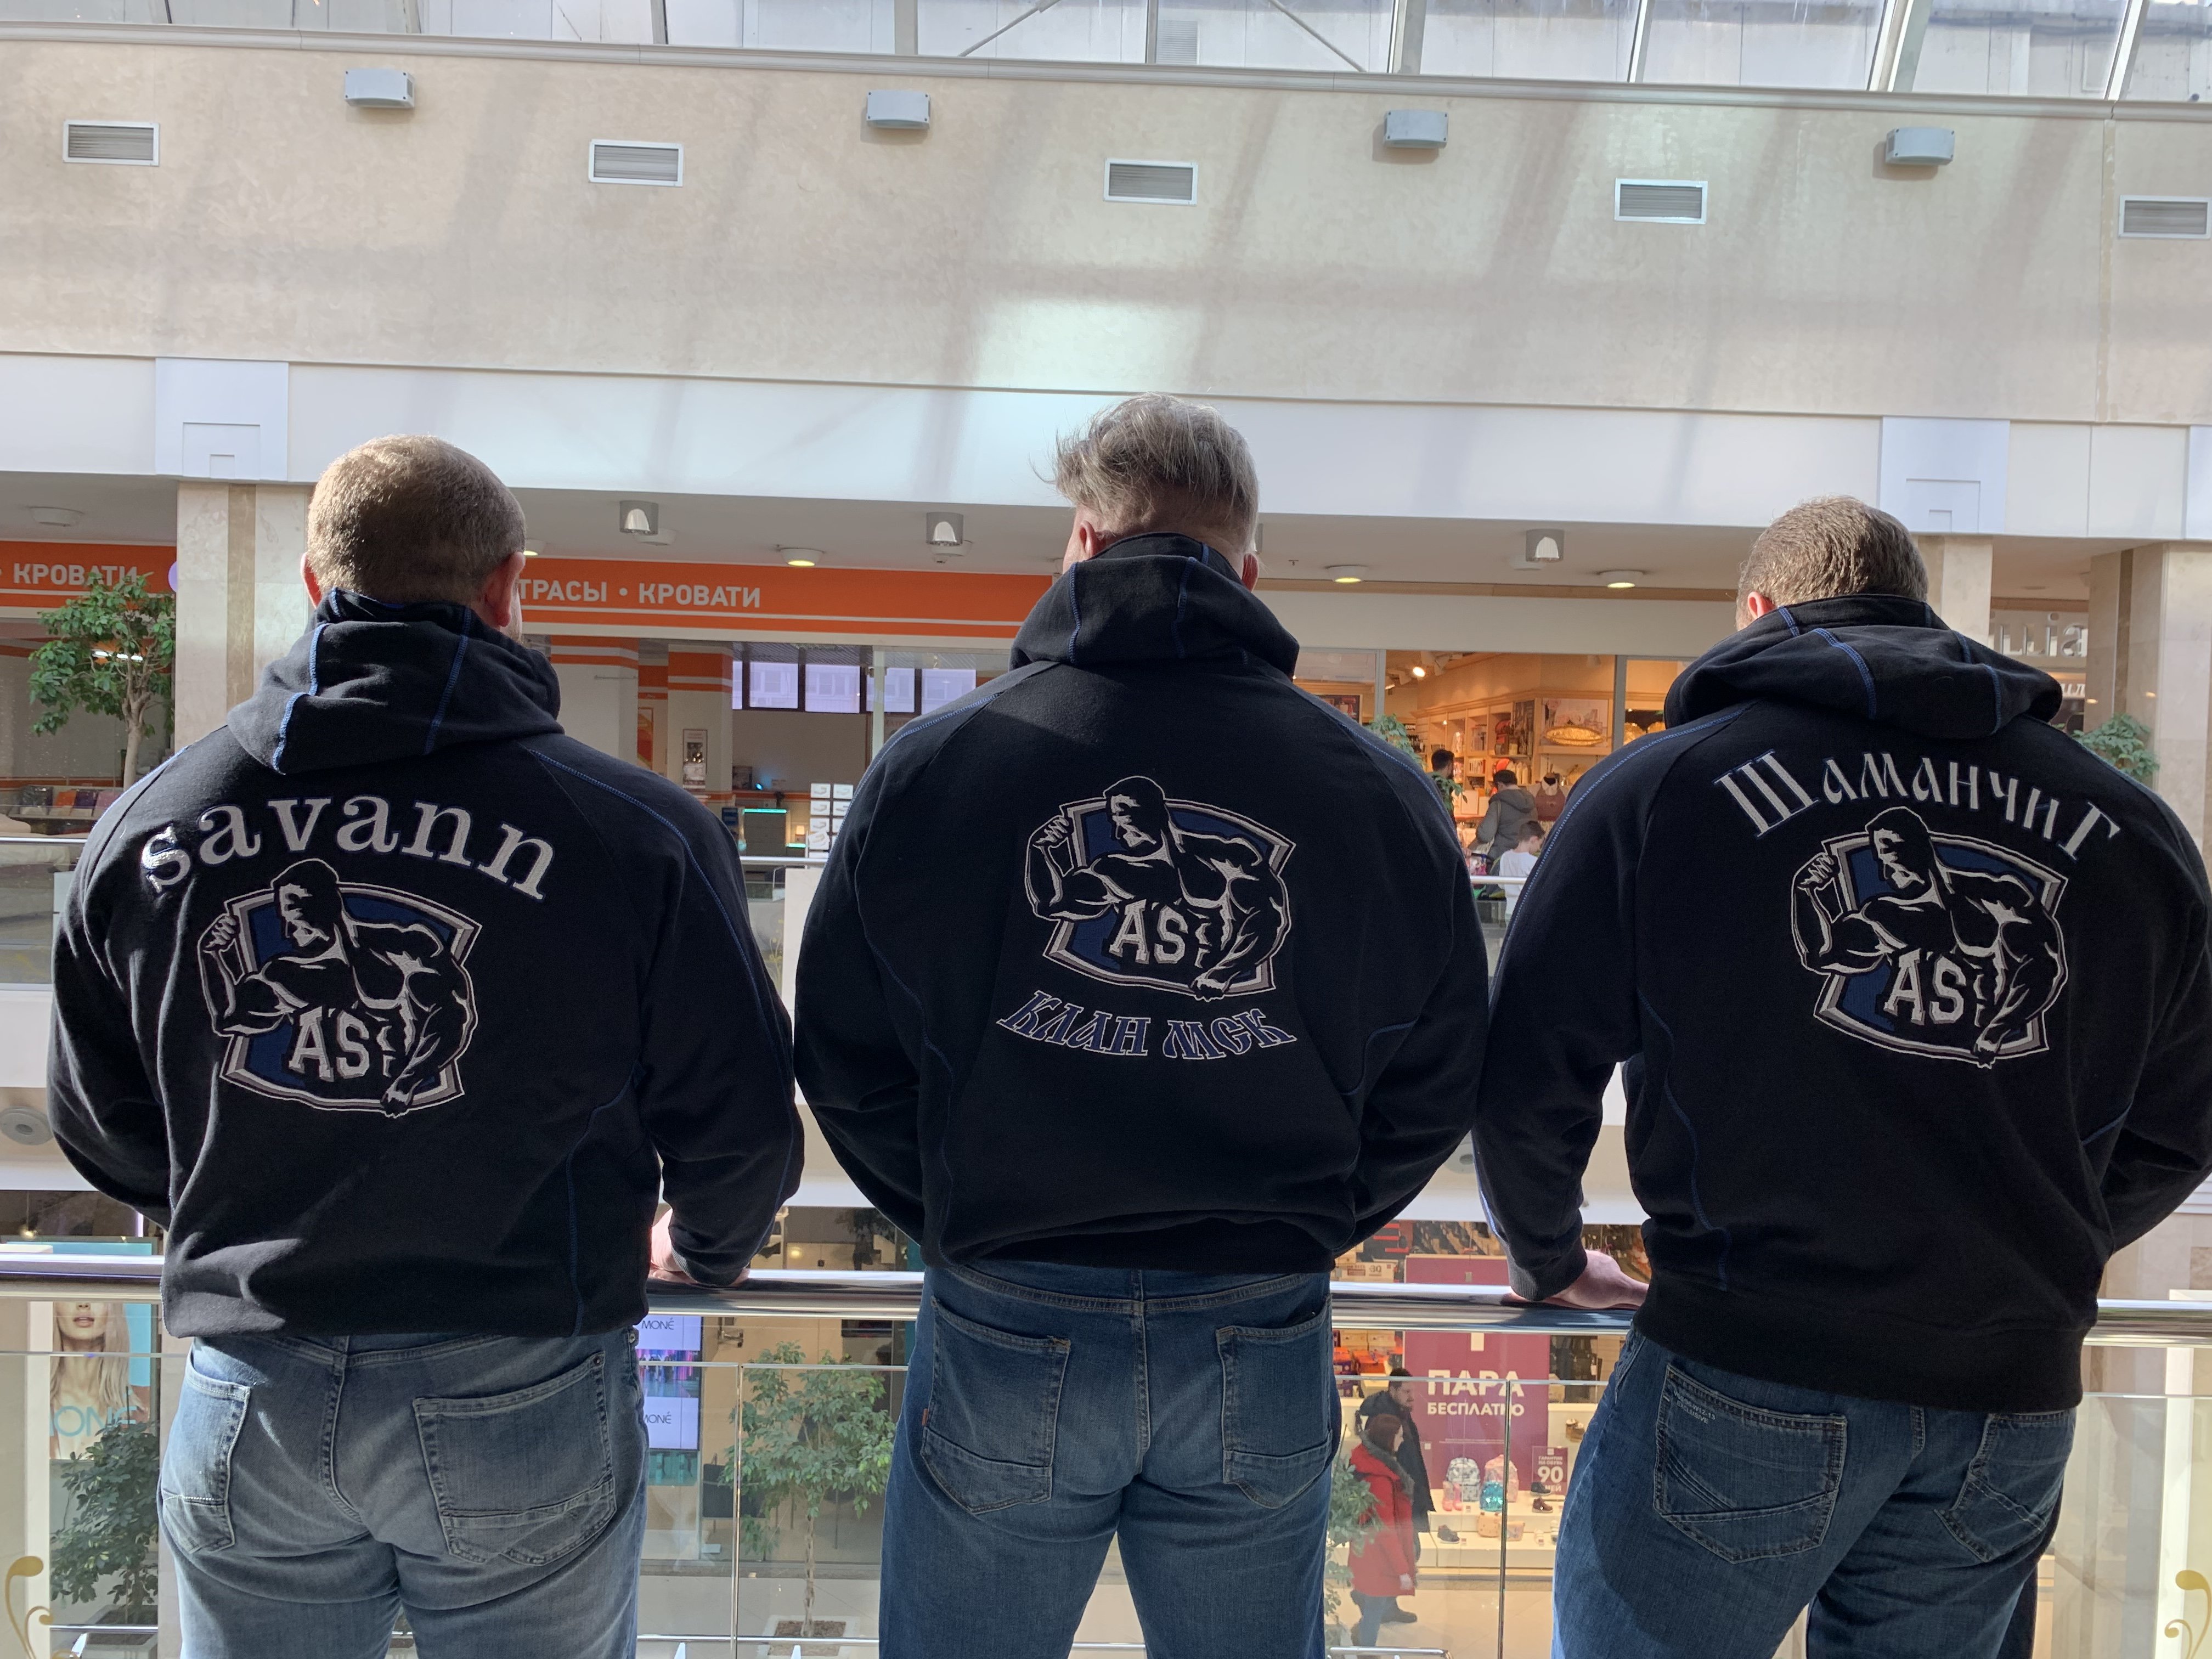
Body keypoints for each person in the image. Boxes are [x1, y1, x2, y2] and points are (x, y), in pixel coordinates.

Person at [48, 435, 800, 1659]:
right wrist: (703, 1250)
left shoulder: (152, 825)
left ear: (314, 584)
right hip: (523, 1382)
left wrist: (247, 1184)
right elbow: (744, 1122)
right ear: (507, 589)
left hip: (252, 1389)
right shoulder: (636, 833)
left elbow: (102, 1124)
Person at [795, 393, 1487, 1659]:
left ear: (1082, 543)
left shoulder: (939, 767)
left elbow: (842, 1053)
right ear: (1249, 568)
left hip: (1009, 1305)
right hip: (1258, 1313)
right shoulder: (1379, 793)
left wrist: (965, 1207)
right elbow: (1440, 1073)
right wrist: (1307, 1216)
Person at [1472, 495, 2212, 1659]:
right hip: (2004, 1389)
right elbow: (2185, 1118)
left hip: (1746, 1354)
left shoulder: (1665, 789)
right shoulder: (2133, 829)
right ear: (1923, 613)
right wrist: (2032, 1236)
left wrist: (1548, 1256)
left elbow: (1527, 1073)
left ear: (1759, 612)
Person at [1356, 1368, 1457, 1556]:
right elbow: (1380, 1465)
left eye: (1413, 1391)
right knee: (1406, 1554)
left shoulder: (1401, 1413)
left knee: (1410, 1553)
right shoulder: (1384, 1421)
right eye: (1407, 1392)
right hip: (1397, 1503)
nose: (1412, 1397)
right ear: (1393, 1390)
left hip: (1405, 1498)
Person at [1347, 1410, 1420, 1646]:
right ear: (1388, 1439)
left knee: (1375, 1599)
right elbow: (1385, 1529)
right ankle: (1366, 1650)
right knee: (1375, 1609)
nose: (1402, 1440)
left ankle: (1360, 1598)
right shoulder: (1379, 1478)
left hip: (1369, 1553)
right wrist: (1402, 1571)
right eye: (1398, 1436)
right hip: (1379, 1559)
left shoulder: (1373, 1464)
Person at [1475, 768, 1538, 859]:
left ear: (1500, 785)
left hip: (1501, 857)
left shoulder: (1498, 803)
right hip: (1527, 856)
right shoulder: (1531, 803)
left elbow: (1485, 835)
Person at [1496, 821, 1543, 919]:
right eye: (1540, 844)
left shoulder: (1505, 857)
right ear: (1534, 840)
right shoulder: (1533, 861)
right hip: (1527, 911)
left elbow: (1501, 885)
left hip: (1509, 911)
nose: (1539, 848)